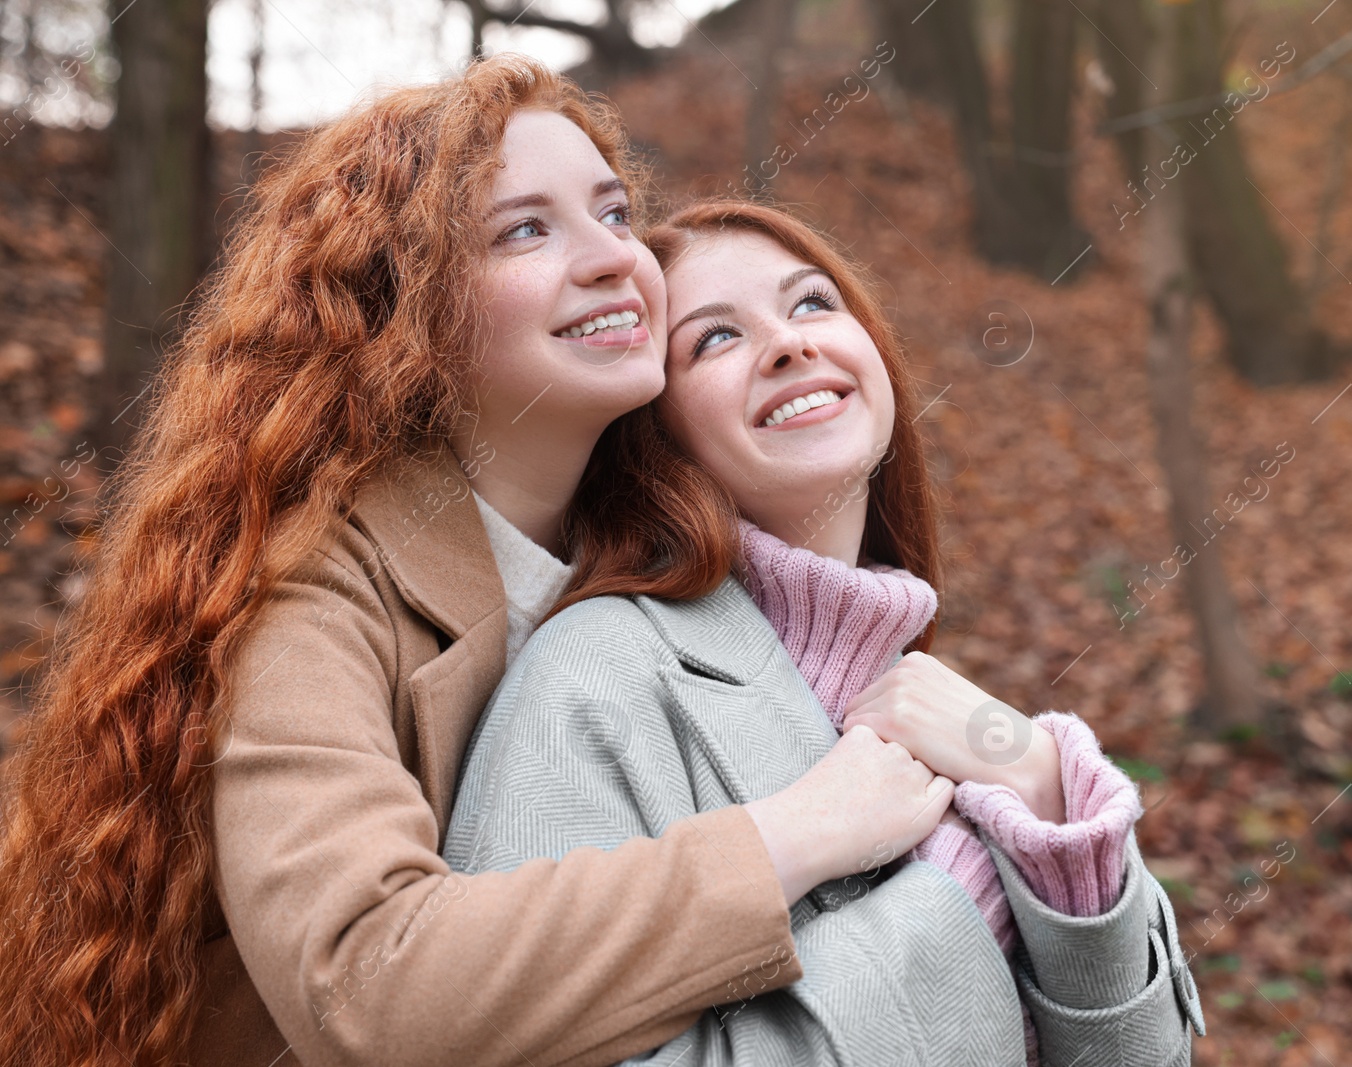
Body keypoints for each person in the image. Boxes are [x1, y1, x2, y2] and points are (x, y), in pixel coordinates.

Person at [0, 59, 927, 1067]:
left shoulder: (653, 552)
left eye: (614, 213)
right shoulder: (310, 591)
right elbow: (366, 985)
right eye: (525, 228)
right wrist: (792, 837)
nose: (613, 257)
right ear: (399, 307)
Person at [444, 199, 1206, 1065]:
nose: (790, 343)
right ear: (659, 436)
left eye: (811, 303)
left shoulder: (927, 697)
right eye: (714, 339)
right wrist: (961, 904)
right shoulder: (591, 675)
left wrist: (1040, 787)